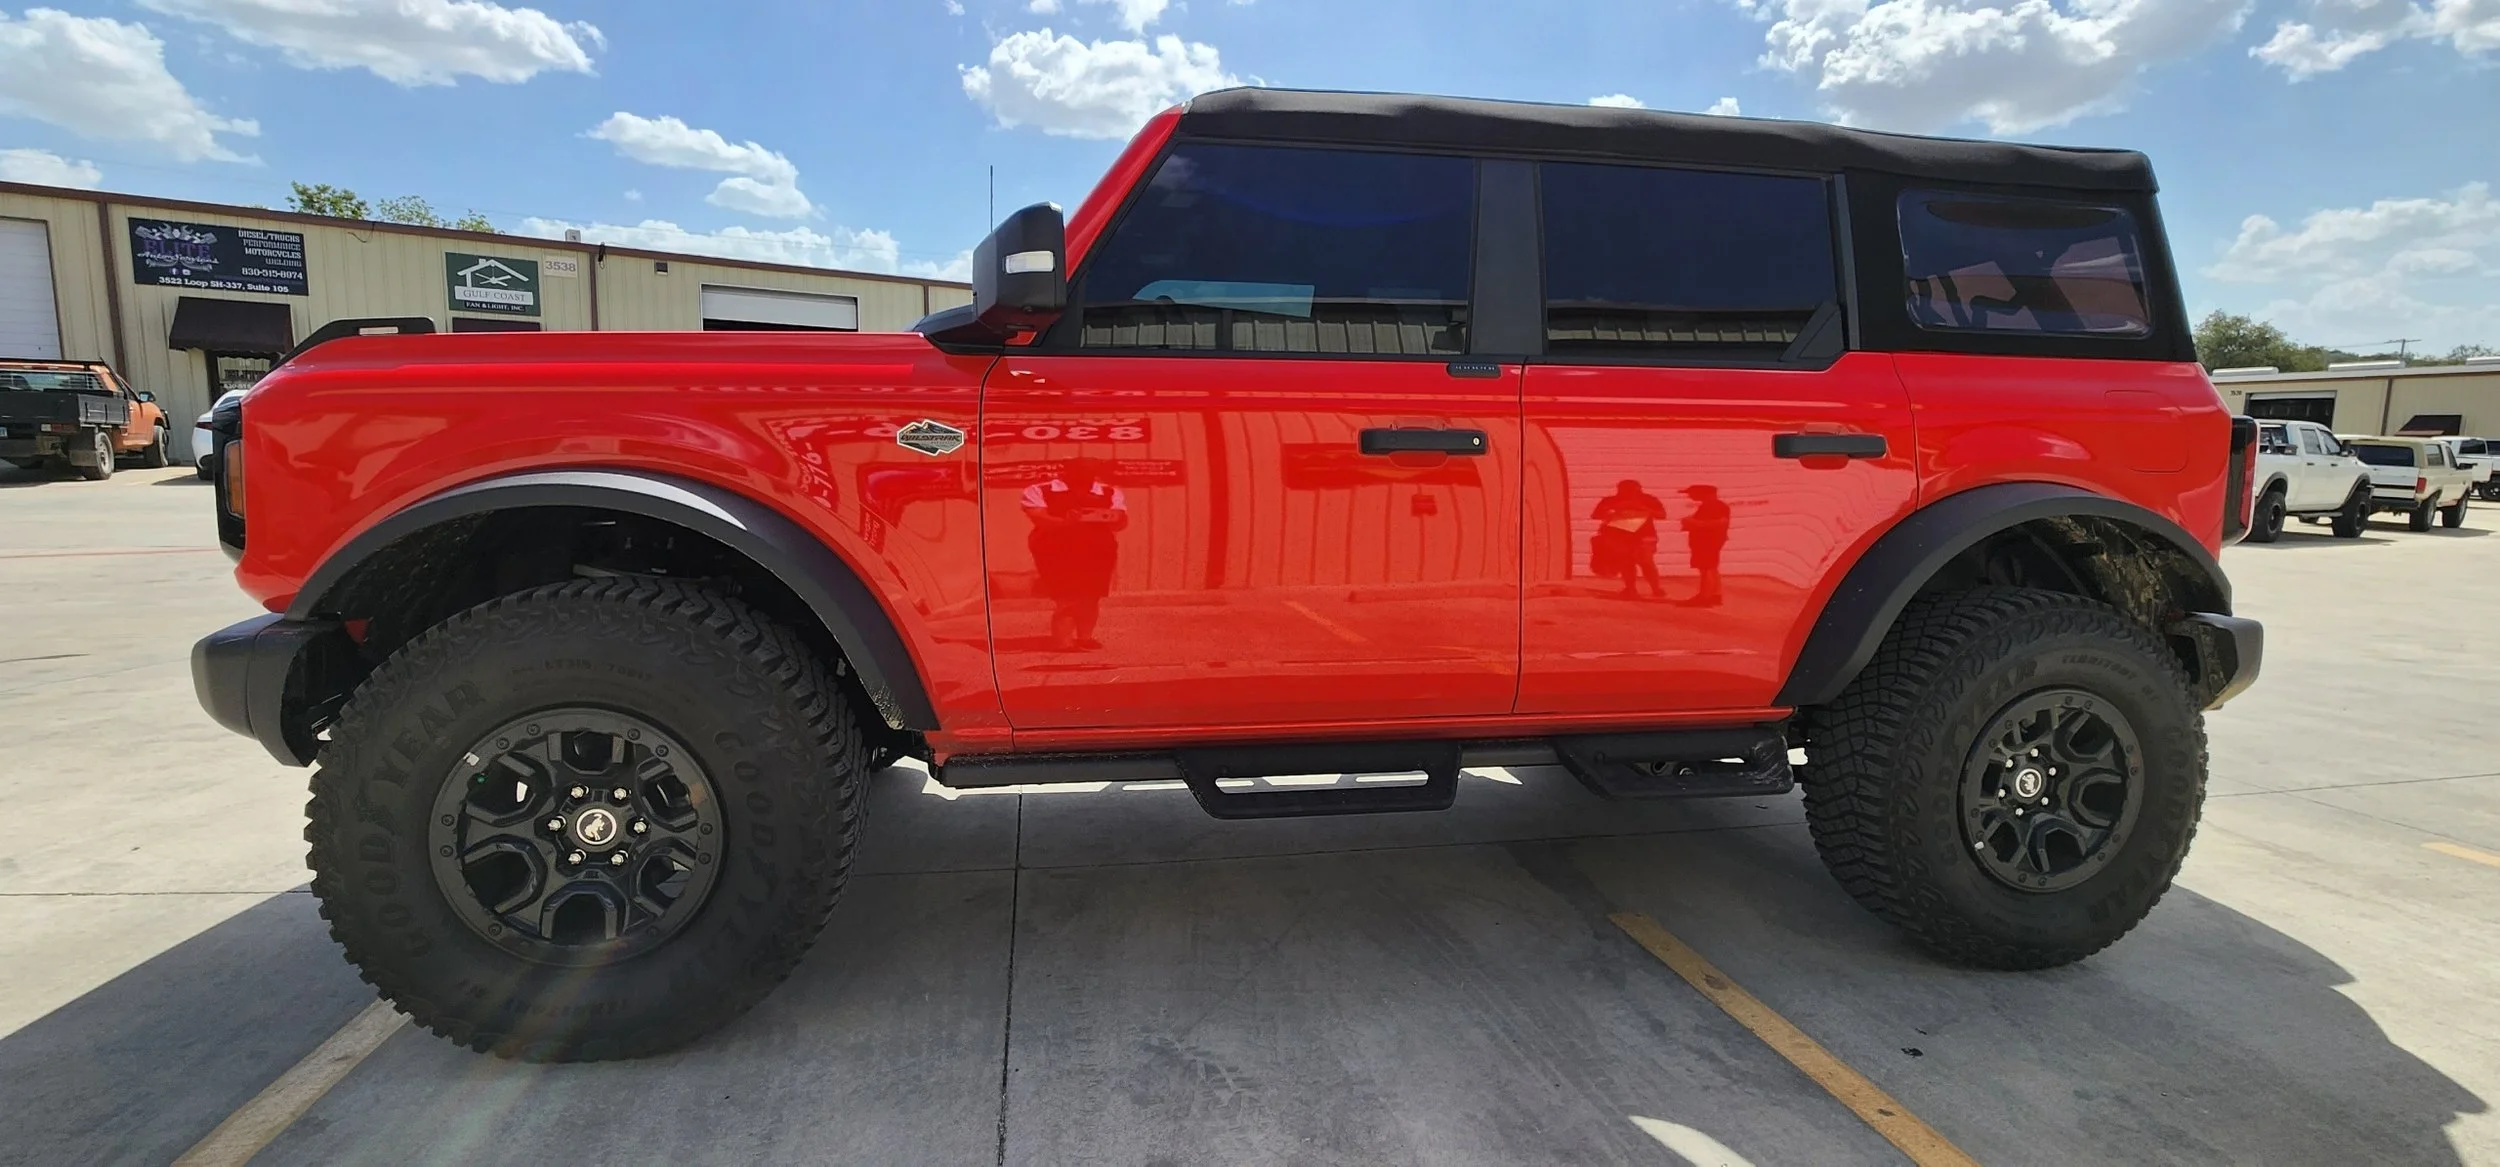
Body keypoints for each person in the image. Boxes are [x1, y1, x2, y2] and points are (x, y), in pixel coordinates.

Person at [1022, 459, 1128, 650]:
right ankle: (1064, 642)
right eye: (1079, 471)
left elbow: (1120, 523)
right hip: (1055, 548)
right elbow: (1038, 517)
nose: (1085, 476)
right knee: (1066, 595)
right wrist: (1064, 521)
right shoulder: (1041, 489)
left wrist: (1115, 518)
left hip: (1098, 548)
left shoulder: (1109, 492)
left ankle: (1085, 638)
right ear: (1066, 472)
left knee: (1092, 594)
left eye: (1089, 471)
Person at [1590, 479, 1667, 599]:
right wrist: (1612, 509)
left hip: (1644, 535)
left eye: (1633, 491)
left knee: (1646, 561)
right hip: (1620, 535)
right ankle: (1630, 589)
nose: (1629, 494)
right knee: (1626, 562)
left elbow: (1661, 515)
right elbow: (1595, 515)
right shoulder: (1610, 501)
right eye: (1625, 491)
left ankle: (1656, 588)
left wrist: (1643, 508)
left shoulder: (1648, 500)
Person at [1680, 484, 1730, 608]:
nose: (1690, 496)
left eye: (1693, 493)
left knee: (1706, 569)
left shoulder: (1716, 506)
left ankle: (1704, 597)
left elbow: (1721, 523)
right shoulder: (1712, 506)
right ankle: (1714, 595)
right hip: (1707, 541)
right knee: (1711, 568)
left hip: (1707, 542)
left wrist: (1695, 523)